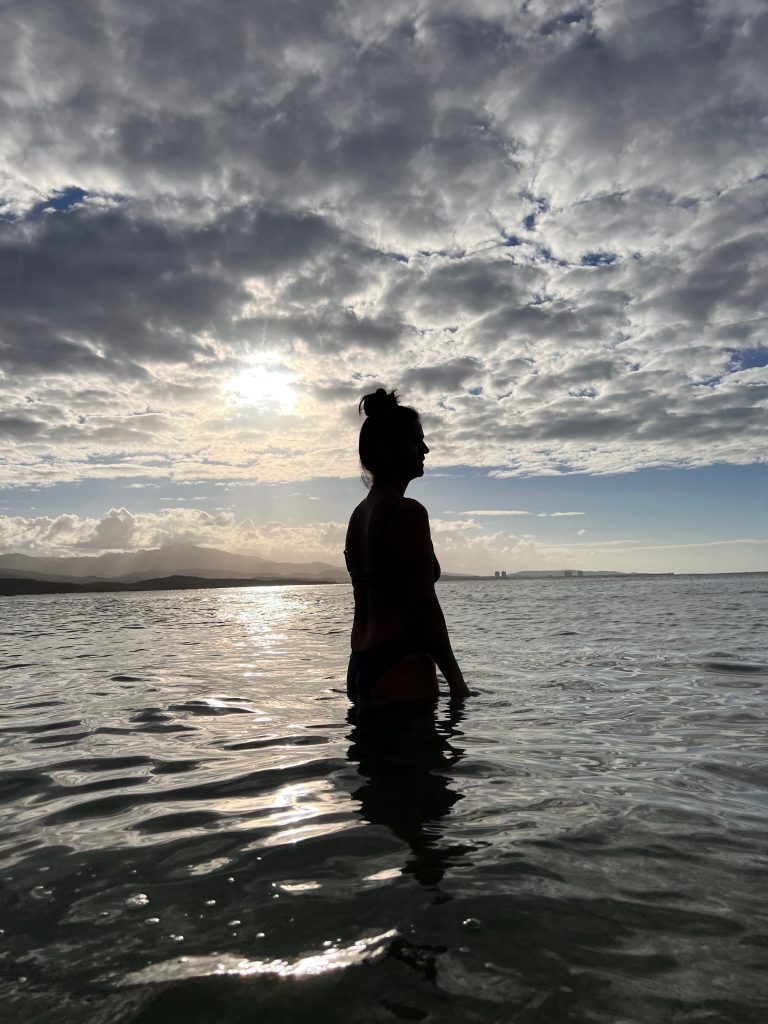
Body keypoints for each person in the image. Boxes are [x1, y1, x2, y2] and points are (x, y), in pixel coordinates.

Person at [344, 388, 470, 703]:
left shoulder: (358, 516)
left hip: (360, 665)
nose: (425, 449)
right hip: (402, 663)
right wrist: (457, 684)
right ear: (389, 449)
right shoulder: (408, 512)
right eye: (416, 441)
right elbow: (425, 606)